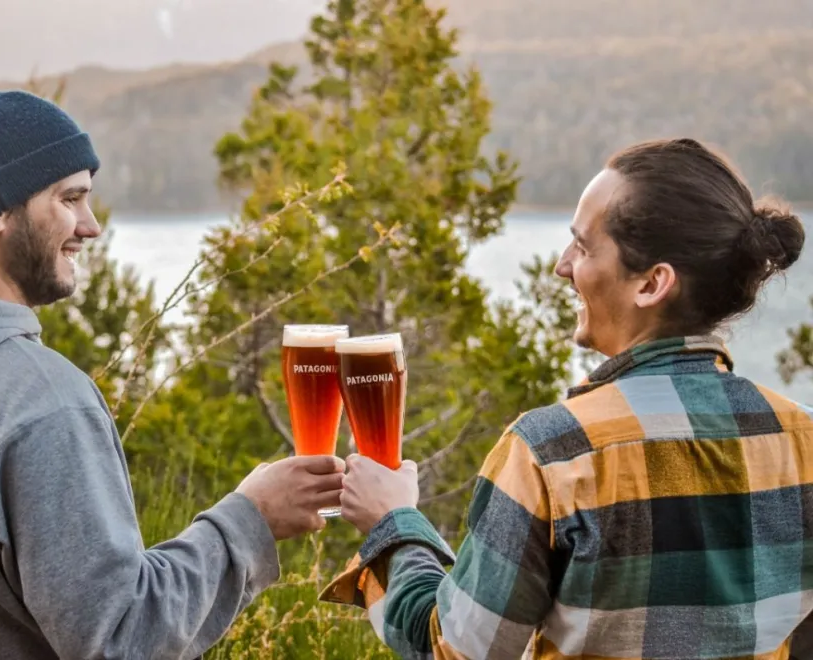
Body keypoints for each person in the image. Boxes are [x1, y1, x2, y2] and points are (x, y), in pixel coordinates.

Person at [0, 90, 345, 660]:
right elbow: (121, 639)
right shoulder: (39, 402)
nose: (90, 226)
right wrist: (250, 521)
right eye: (70, 199)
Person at [320, 137, 812, 659]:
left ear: (652, 284)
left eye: (582, 246)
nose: (561, 265)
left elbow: (455, 651)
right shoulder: (804, 443)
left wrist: (392, 523)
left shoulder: (550, 453)